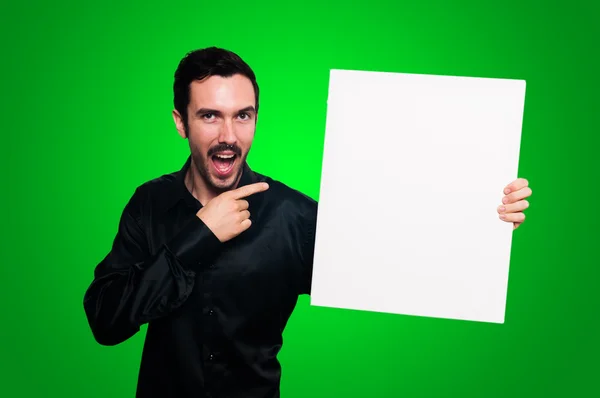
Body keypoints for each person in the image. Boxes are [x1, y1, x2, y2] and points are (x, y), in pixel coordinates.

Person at [83, 47, 533, 398]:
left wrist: (482, 225)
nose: (228, 135)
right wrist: (199, 237)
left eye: (243, 115)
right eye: (209, 116)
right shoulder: (150, 203)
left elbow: (393, 264)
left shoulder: (292, 216)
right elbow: (105, 319)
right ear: (181, 123)